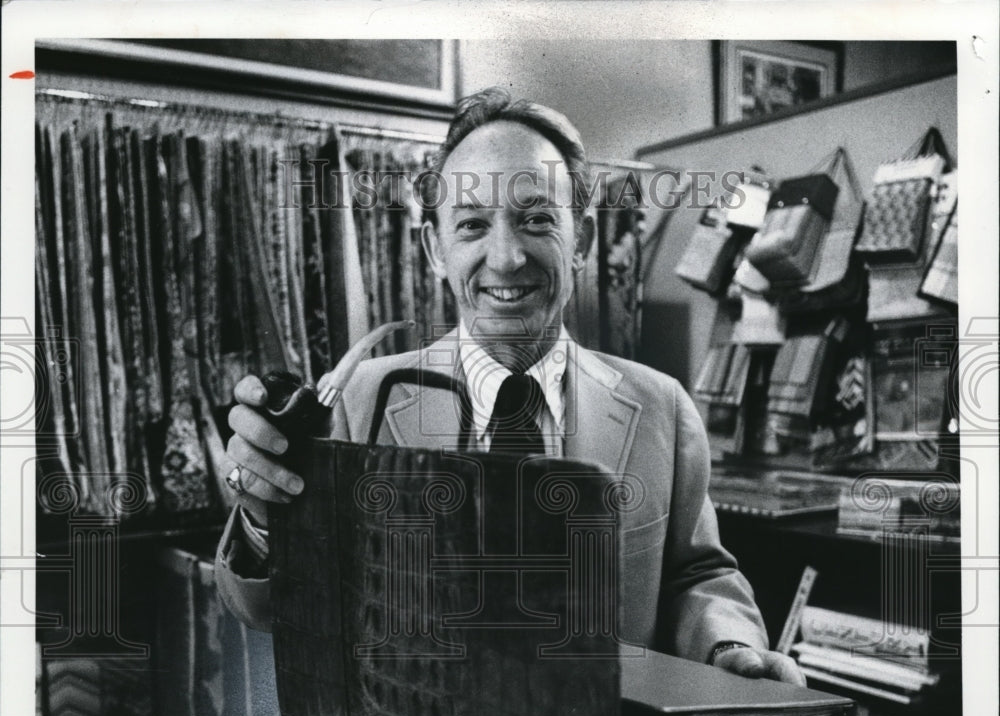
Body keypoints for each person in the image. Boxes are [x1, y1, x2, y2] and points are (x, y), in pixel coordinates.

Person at [215, 87, 804, 685]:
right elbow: (270, 607)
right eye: (471, 224)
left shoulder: (662, 409)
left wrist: (726, 648)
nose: (506, 257)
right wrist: (264, 520)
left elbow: (695, 576)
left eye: (537, 219)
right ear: (434, 250)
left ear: (583, 243)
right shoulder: (359, 401)